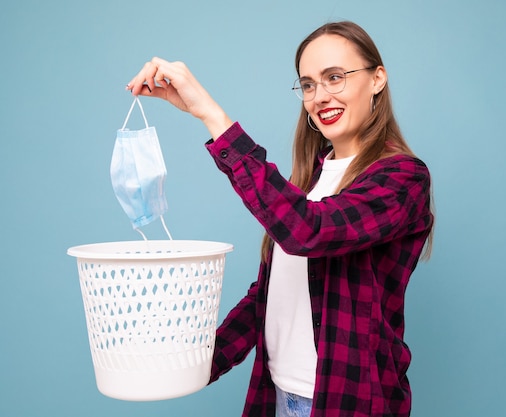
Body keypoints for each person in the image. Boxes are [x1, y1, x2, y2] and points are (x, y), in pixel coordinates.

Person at [127, 20, 434, 417]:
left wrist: (210, 114)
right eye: (308, 85)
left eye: (335, 78)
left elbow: (310, 231)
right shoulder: (312, 179)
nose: (320, 96)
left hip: (344, 404)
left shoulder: (403, 178)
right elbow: (269, 297)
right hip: (279, 398)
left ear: (377, 79)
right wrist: (193, 365)